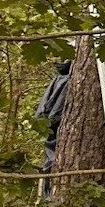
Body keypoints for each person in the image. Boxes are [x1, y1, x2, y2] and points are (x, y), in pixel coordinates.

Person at [34, 60, 72, 198]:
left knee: (51, 161)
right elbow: (52, 112)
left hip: (51, 128)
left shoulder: (61, 80)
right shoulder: (65, 80)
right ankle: (50, 196)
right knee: (52, 161)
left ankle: (49, 196)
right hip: (54, 130)